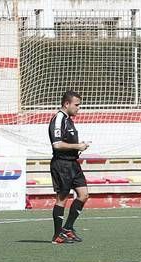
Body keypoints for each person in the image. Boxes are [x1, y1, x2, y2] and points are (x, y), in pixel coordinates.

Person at [48, 90, 90, 244]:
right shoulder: (58, 118)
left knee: (83, 194)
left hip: (73, 163)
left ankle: (68, 228)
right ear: (66, 104)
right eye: (76, 105)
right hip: (62, 164)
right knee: (62, 198)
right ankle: (57, 235)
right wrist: (78, 145)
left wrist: (78, 148)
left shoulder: (69, 119)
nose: (79, 108)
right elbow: (57, 144)